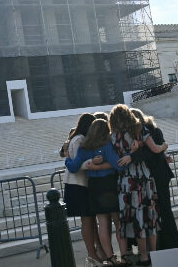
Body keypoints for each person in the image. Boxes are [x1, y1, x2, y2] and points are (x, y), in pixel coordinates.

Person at [66, 119, 129, 266]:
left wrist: (67, 160)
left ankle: (110, 258)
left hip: (94, 187)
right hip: (109, 184)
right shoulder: (106, 145)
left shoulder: (84, 148)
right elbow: (118, 165)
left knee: (102, 223)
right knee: (118, 222)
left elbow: (74, 167)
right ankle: (124, 256)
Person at [109, 104, 159, 266]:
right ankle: (155, 254)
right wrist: (163, 148)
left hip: (125, 182)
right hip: (144, 178)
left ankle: (143, 256)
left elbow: (113, 161)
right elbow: (154, 150)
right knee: (149, 216)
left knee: (137, 218)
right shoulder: (140, 130)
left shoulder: (112, 137)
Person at [129, 109, 178, 250]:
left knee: (158, 211)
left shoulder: (143, 134)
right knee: (164, 209)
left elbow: (151, 152)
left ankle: (165, 244)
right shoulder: (154, 130)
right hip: (160, 174)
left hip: (154, 175)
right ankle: (170, 243)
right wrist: (163, 148)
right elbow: (158, 149)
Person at [62, 113, 106, 266]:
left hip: (77, 185)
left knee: (89, 220)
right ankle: (92, 254)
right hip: (78, 186)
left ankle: (95, 253)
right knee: (87, 220)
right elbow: (76, 164)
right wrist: (91, 162)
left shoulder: (75, 138)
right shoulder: (80, 139)